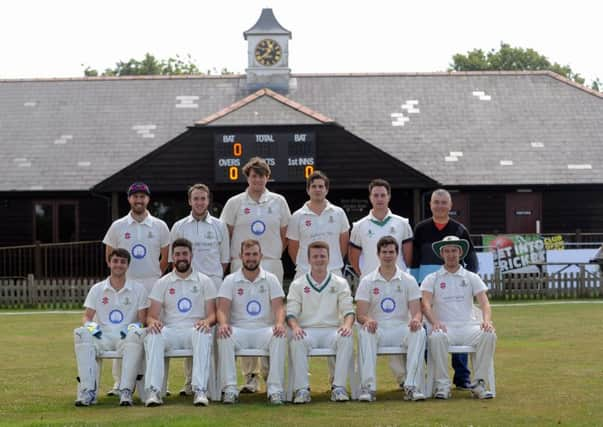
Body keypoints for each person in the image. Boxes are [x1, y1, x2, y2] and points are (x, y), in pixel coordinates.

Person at [219, 157, 290, 393]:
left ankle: (273, 374)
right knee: (243, 318)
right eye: (253, 176)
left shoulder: (278, 202)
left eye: (261, 175)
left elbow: (285, 235)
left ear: (267, 177)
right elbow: (225, 235)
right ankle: (250, 376)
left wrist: (269, 257)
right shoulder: (234, 203)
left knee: (271, 319)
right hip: (242, 264)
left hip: (270, 263)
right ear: (247, 177)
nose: (257, 179)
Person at [102, 182, 170, 396]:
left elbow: (165, 258)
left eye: (142, 197)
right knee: (124, 331)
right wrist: (124, 279)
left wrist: (152, 277)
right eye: (135, 197)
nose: (138, 200)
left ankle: (159, 383)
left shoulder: (159, 226)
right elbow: (109, 255)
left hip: (152, 285)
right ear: (129, 199)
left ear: (148, 199)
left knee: (154, 332)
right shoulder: (118, 226)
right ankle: (119, 382)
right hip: (126, 286)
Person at [410, 188, 479, 390]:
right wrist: (416, 288)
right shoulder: (421, 229)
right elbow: (414, 260)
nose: (439, 206)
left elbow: (472, 262)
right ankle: (433, 374)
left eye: (443, 202)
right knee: (427, 331)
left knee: (457, 326)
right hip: (427, 290)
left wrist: (469, 285)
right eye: (436, 202)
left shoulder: (459, 230)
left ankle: (462, 377)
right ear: (430, 205)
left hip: (454, 289)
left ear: (450, 205)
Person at [348, 178, 413, 387]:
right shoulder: (359, 226)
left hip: (398, 286)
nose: (379, 199)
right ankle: (364, 382)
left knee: (399, 329)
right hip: (372, 287)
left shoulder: (402, 223)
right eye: (375, 195)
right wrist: (367, 275)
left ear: (389, 197)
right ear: (370, 197)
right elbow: (353, 254)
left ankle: (404, 379)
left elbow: (408, 254)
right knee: (369, 330)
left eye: (382, 195)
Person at [170, 183, 229, 396]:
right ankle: (190, 382)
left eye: (203, 198)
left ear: (208, 200)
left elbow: (224, 260)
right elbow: (173, 259)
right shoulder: (178, 226)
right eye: (196, 198)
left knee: (215, 335)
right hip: (188, 285)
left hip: (213, 283)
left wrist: (210, 279)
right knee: (192, 328)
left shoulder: (219, 225)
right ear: (190, 201)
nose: (200, 202)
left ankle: (218, 384)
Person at [421, 236, 496, 400]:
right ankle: (442, 385)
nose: (451, 255)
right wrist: (434, 322)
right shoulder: (432, 278)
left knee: (489, 334)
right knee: (436, 337)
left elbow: (484, 303)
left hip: (468, 327)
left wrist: (486, 321)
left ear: (460, 253)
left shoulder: (471, 277)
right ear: (442, 254)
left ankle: (479, 383)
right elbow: (425, 304)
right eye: (447, 251)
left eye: (454, 250)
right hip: (445, 328)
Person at [143, 238, 216, 407]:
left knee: (203, 332)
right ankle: (154, 391)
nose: (181, 257)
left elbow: (212, 315)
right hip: (171, 330)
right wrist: (153, 322)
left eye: (185, 254)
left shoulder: (204, 281)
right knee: (153, 334)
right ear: (172, 257)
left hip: (194, 330)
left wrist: (206, 321)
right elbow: (151, 316)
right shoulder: (163, 282)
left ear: (191, 256)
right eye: (177, 254)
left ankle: (199, 390)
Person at [73, 248, 148, 407]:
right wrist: (94, 330)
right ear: (109, 263)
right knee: (80, 334)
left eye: (122, 262)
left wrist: (127, 330)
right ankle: (88, 392)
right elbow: (87, 316)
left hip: (125, 336)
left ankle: (126, 391)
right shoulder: (97, 289)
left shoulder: (138, 289)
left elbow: (143, 321)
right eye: (115, 261)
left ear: (128, 265)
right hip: (103, 335)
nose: (118, 265)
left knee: (135, 336)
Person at [216, 239, 287, 404]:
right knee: (224, 335)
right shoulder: (230, 280)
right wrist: (224, 324)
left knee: (280, 335)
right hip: (239, 330)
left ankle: (275, 389)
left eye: (255, 254)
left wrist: (278, 323)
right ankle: (230, 389)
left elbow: (279, 308)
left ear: (261, 256)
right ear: (241, 256)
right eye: (247, 254)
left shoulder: (271, 279)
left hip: (264, 330)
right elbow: (222, 309)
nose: (251, 258)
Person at [355, 236, 426, 402]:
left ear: (397, 254)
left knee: (419, 332)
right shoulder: (367, 281)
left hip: (400, 327)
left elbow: (417, 312)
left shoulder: (408, 280)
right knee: (365, 331)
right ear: (378, 254)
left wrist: (415, 320)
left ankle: (411, 386)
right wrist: (367, 320)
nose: (388, 255)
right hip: (377, 328)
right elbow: (360, 314)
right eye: (384, 252)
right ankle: (368, 388)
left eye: (391, 252)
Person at [287, 241, 355, 403]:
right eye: (315, 256)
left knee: (346, 337)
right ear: (309, 259)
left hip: (332, 330)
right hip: (307, 330)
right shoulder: (298, 284)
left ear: (328, 258)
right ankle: (302, 389)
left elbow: (349, 311)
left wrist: (346, 325)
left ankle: (338, 388)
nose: (319, 259)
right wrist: (295, 327)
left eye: (322, 256)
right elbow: (291, 312)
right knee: (297, 339)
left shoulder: (340, 283)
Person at [287, 170, 350, 278]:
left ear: (326, 190)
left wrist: (332, 262)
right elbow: (293, 248)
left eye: (321, 186)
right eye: (314, 186)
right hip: (305, 272)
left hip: (333, 271)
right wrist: (305, 265)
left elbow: (343, 244)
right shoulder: (297, 216)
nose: (317, 189)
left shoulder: (338, 213)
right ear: (308, 190)